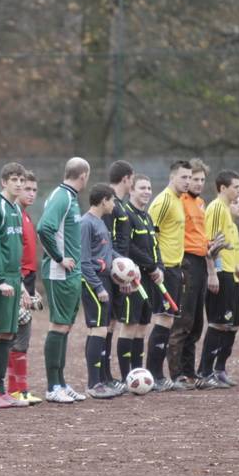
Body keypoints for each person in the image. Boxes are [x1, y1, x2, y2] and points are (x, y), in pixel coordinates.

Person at [38, 157, 91, 403]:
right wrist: (59, 258)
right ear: (84, 176)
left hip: (71, 272)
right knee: (58, 325)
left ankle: (61, 382)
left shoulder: (70, 197)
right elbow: (44, 228)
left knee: (65, 327)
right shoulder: (62, 197)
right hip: (59, 272)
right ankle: (52, 387)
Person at [0, 162, 30, 408]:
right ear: (4, 182)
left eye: (21, 180)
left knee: (8, 334)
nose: (19, 184)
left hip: (13, 277)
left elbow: (16, 248)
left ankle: (0, 390)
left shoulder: (16, 208)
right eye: (14, 179)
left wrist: (19, 282)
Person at [167, 159, 216, 390]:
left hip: (200, 263)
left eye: (201, 179)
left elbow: (200, 235)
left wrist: (211, 247)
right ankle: (176, 374)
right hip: (185, 262)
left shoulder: (201, 203)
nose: (197, 183)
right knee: (183, 321)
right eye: (193, 178)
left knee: (196, 322)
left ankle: (189, 372)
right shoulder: (179, 201)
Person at [197, 171, 239, 388]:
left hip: (230, 274)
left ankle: (219, 369)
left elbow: (226, 247)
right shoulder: (217, 208)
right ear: (223, 188)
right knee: (218, 323)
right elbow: (210, 244)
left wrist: (237, 268)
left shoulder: (226, 212)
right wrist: (214, 273)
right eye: (236, 187)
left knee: (231, 325)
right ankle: (204, 372)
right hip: (221, 274)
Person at [146, 160, 191, 391]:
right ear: (172, 177)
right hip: (164, 269)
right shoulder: (163, 200)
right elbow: (149, 233)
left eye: (189, 177)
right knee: (163, 319)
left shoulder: (178, 200)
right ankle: (154, 375)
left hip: (175, 268)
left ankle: (157, 375)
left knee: (169, 320)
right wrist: (157, 266)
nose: (187, 181)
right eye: (183, 177)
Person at [80, 184, 125, 398]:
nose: (114, 205)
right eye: (113, 200)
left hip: (105, 280)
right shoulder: (86, 223)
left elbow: (107, 252)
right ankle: (94, 384)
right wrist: (97, 287)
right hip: (94, 281)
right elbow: (84, 260)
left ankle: (99, 381)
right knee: (97, 329)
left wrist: (125, 263)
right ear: (104, 200)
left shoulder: (100, 222)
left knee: (100, 330)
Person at [6, 170, 44, 405]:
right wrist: (21, 286)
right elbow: (12, 256)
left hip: (26, 282)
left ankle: (21, 389)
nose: (30, 193)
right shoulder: (13, 216)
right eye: (26, 188)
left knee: (23, 339)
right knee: (17, 338)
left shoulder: (26, 216)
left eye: (33, 190)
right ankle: (13, 390)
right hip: (15, 281)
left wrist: (32, 288)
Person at [120, 175, 164, 379]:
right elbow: (129, 247)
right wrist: (151, 266)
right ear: (132, 190)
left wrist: (159, 268)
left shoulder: (147, 217)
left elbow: (155, 246)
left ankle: (137, 373)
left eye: (149, 188)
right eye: (142, 188)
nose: (147, 191)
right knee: (130, 326)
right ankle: (125, 376)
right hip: (134, 278)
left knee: (142, 327)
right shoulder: (126, 214)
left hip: (150, 279)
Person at [101, 160, 134, 392]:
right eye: (133, 179)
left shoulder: (120, 204)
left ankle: (107, 375)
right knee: (105, 325)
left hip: (119, 273)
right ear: (126, 179)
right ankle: (102, 376)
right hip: (111, 273)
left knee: (112, 324)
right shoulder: (109, 204)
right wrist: (119, 271)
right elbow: (106, 241)